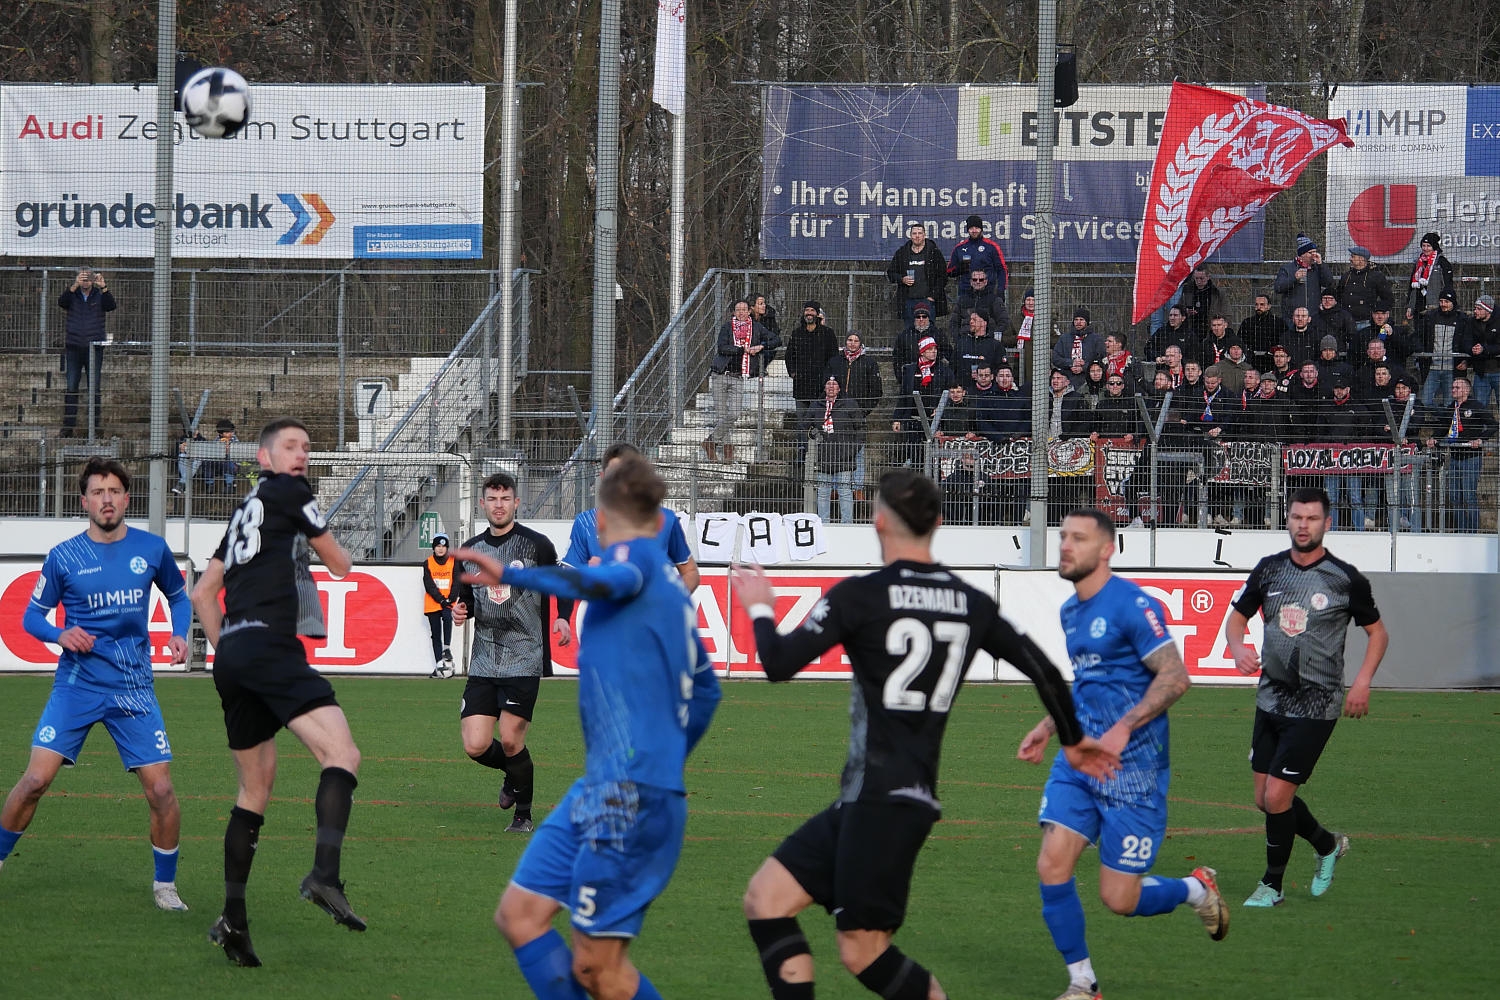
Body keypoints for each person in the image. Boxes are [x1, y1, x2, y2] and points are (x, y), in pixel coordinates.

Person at [728, 470, 1118, 1000]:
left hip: (883, 803)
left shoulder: (860, 595)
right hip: (876, 799)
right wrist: (1072, 740)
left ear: (878, 521)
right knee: (766, 899)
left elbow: (777, 662)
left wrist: (759, 605)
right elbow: (1044, 670)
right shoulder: (970, 602)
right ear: (938, 522)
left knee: (863, 951)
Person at [461, 453, 721, 1000]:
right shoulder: (670, 588)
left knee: (598, 970)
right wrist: (668, 759)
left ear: (601, 518)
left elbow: (606, 580)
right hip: (602, 787)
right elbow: (707, 691)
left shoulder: (633, 560)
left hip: (630, 795)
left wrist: (511, 573)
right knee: (520, 916)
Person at [1018, 508, 1228, 1000]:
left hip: (1134, 771)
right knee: (1052, 865)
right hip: (1080, 760)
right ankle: (1083, 982)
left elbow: (1176, 676)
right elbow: (1090, 682)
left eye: (1078, 538)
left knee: (1119, 898)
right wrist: (1050, 725)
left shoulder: (1133, 604)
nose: (1065, 545)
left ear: (1107, 549)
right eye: (1063, 536)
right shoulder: (1070, 612)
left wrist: (1123, 728)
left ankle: (1196, 889)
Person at [190, 418, 367, 966]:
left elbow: (203, 593)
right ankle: (324, 875)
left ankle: (233, 921)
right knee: (342, 754)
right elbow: (341, 564)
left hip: (233, 653)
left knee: (254, 790)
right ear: (264, 458)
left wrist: (229, 651)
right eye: (290, 446)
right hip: (270, 645)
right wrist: (315, 550)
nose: (302, 455)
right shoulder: (290, 492)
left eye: (307, 447)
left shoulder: (244, 511)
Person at [0, 457, 191, 913]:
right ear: (84, 501)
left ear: (127, 499)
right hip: (78, 684)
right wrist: (59, 634)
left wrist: (179, 633)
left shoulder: (152, 549)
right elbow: (30, 617)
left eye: (114, 491)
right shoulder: (64, 556)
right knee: (34, 780)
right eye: (98, 492)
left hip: (133, 688)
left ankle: (165, 885)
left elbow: (179, 597)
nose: (107, 500)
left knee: (161, 791)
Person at [1224, 486, 1389, 908]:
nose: (1303, 525)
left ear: (1326, 523)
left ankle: (1272, 886)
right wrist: (1238, 647)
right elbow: (1236, 619)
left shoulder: (1345, 579)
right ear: (1288, 520)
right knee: (1263, 799)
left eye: (1312, 518)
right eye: (1297, 517)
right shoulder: (1269, 570)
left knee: (1277, 797)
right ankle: (1327, 844)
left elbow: (1378, 634)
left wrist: (1363, 682)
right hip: (1270, 698)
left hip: (1316, 704)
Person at [451, 472, 567, 834]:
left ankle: (523, 815)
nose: (498, 505)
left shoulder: (537, 545)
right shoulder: (470, 552)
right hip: (484, 660)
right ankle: (513, 773)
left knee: (513, 739)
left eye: (505, 499)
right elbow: (465, 601)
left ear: (516, 503)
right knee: (475, 745)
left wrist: (562, 617)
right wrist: (459, 611)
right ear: (482, 504)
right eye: (492, 499)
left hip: (524, 655)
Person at [564, 442, 699, 593]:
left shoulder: (666, 520)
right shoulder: (586, 522)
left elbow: (690, 572)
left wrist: (672, 599)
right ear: (603, 477)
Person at [705, 299, 779, 463]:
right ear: (734, 312)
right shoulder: (727, 327)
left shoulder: (756, 327)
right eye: (738, 310)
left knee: (734, 414)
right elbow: (722, 347)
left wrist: (761, 346)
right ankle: (727, 450)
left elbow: (776, 340)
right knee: (722, 416)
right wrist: (741, 349)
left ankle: (710, 441)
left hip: (738, 376)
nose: (741, 312)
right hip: (720, 374)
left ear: (749, 311)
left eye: (744, 309)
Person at [1420, 374, 1496, 533]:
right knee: (1455, 497)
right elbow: (1444, 426)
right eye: (1453, 387)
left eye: (1457, 387)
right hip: (1454, 457)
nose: (1453, 390)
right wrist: (1434, 438)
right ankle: (1461, 531)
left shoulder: (1476, 405)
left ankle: (1472, 532)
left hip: (1471, 457)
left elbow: (1493, 425)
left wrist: (1481, 439)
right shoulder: (1451, 407)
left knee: (1469, 497)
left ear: (1466, 390)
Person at [784, 301, 841, 480]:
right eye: (807, 310)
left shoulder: (827, 334)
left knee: (820, 421)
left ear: (817, 314)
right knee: (802, 421)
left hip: (820, 389)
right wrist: (793, 372)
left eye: (812, 310)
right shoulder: (797, 333)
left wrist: (828, 379)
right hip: (801, 387)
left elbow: (834, 358)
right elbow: (789, 356)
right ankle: (802, 451)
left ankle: (820, 452)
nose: (809, 313)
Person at [57, 267, 117, 438]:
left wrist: (103, 286)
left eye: (88, 278)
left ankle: (95, 427)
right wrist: (74, 286)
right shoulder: (72, 295)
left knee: (94, 388)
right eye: (82, 278)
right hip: (74, 347)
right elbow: (62, 302)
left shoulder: (99, 295)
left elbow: (111, 306)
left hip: (94, 348)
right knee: (71, 387)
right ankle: (68, 427)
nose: (85, 281)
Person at [811, 376, 866, 524]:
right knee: (823, 493)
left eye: (834, 384)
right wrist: (814, 436)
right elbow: (806, 425)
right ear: (824, 387)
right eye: (828, 384)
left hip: (844, 456)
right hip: (823, 455)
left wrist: (852, 450)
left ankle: (847, 524)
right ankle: (823, 524)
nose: (831, 387)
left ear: (839, 388)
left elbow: (860, 429)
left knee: (845, 492)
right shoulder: (816, 405)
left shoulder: (850, 404)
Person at [886, 220, 949, 325]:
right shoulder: (902, 253)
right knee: (909, 331)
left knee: (928, 331)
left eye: (920, 233)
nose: (917, 236)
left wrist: (933, 296)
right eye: (914, 233)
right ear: (910, 235)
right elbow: (891, 273)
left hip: (927, 301)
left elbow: (943, 276)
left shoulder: (934, 252)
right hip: (908, 301)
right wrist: (902, 279)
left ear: (924, 235)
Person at [1274, 233, 1335, 328]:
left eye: (1315, 252)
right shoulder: (1287, 269)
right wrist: (1294, 278)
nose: (1314, 255)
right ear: (1302, 254)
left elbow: (1329, 282)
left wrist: (1321, 264)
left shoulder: (1317, 268)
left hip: (1313, 317)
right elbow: (1278, 288)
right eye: (1311, 253)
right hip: (1293, 318)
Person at [946, 214, 1008, 300]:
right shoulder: (959, 248)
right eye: (971, 228)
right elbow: (949, 271)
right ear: (968, 230)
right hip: (965, 293)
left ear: (981, 229)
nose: (974, 231)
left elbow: (1002, 269)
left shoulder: (992, 247)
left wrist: (1001, 289)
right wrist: (959, 269)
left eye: (977, 228)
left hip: (988, 292)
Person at [175, 417, 240, 495]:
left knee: (225, 463)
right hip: (195, 463)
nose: (231, 434)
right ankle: (209, 485)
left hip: (229, 463)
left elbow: (237, 455)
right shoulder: (216, 440)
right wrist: (182, 450)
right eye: (227, 432)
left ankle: (229, 485)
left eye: (231, 432)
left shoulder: (234, 440)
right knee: (186, 457)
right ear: (220, 434)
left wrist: (227, 451)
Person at [423, 533, 457, 678]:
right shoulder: (428, 563)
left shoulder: (454, 562)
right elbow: (429, 585)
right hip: (433, 602)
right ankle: (439, 666)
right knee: (435, 634)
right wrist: (441, 599)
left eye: (443, 546)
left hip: (448, 602)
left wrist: (450, 599)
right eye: (437, 546)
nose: (440, 549)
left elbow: (457, 583)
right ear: (433, 548)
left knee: (448, 618)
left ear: (447, 548)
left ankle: (446, 648)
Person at [1404, 231, 1455, 324]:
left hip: (1435, 307)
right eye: (1423, 246)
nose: (1425, 248)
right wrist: (1410, 306)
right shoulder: (1419, 262)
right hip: (1419, 307)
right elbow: (1412, 287)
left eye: (1428, 246)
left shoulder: (1442, 262)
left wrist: (1445, 305)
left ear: (1434, 247)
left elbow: (1448, 286)